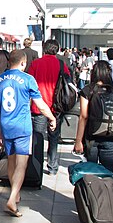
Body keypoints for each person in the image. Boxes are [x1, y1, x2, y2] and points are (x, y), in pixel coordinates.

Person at [0, 49, 56, 217]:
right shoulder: (28, 79)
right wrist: (51, 118)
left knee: (11, 161)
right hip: (22, 127)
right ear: (22, 63)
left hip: (6, 126)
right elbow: (40, 104)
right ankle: (12, 198)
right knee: (22, 163)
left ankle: (15, 192)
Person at [28, 38, 71, 176]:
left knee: (38, 139)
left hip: (38, 107)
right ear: (57, 49)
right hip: (56, 107)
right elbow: (68, 82)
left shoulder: (35, 63)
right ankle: (52, 167)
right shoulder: (61, 64)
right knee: (53, 138)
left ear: (44, 49)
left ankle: (37, 166)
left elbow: (29, 84)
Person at [73, 61, 113, 173]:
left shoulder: (88, 90)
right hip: (111, 135)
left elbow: (83, 116)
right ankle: (108, 189)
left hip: (91, 137)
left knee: (91, 171)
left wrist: (78, 141)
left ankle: (92, 190)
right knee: (108, 171)